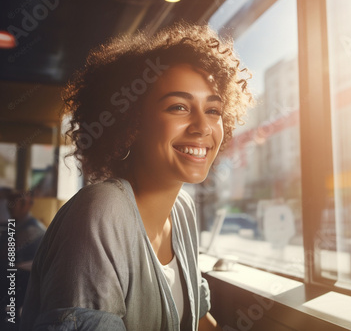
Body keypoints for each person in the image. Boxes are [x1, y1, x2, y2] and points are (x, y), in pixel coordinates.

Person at [20, 22, 252, 331]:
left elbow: (198, 321)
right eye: (179, 107)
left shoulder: (182, 209)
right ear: (131, 123)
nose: (202, 127)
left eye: (213, 111)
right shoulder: (102, 210)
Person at [0, 190, 45, 330]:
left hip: (22, 287)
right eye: (9, 204)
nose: (10, 207)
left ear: (26, 205)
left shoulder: (34, 229)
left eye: (14, 203)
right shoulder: (13, 225)